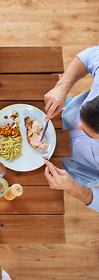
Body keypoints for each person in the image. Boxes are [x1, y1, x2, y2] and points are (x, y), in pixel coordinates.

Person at [43, 45, 99, 212]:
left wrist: (75, 189)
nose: (78, 126)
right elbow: (90, 55)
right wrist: (62, 87)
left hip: (71, 173)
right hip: (60, 112)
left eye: (90, 132)